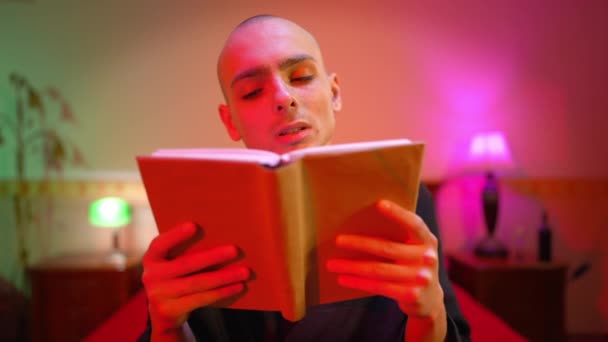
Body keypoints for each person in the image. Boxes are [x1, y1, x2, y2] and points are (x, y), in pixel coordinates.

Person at [138, 15, 470, 342]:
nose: (283, 97)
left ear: (335, 93)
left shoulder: (406, 195)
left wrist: (429, 314)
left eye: (301, 77)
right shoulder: (194, 206)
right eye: (253, 92)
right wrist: (166, 326)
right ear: (230, 121)